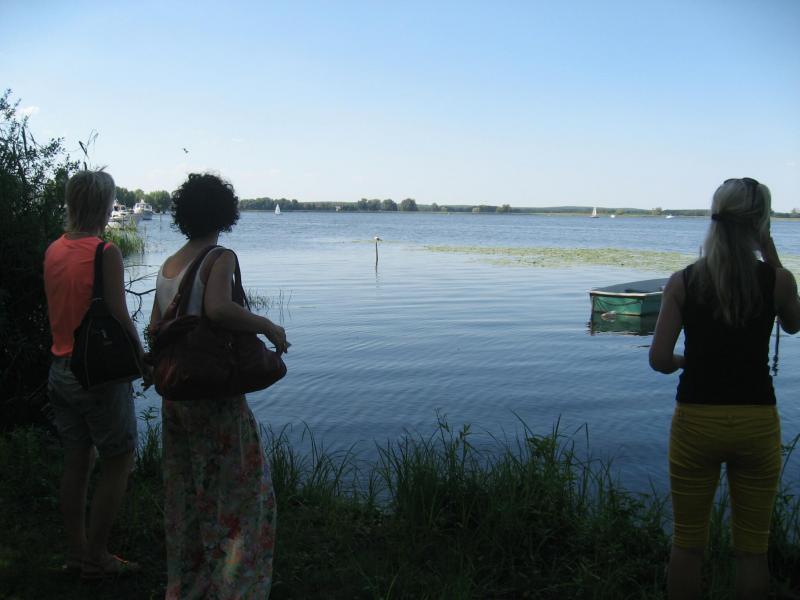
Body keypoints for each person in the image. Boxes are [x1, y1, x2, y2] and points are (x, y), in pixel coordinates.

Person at [649, 177, 800, 599]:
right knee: (752, 550)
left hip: (696, 421)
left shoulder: (682, 281)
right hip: (756, 421)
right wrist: (769, 251)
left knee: (687, 544)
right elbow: (794, 324)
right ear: (760, 222)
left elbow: (659, 360)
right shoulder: (778, 281)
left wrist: (689, 361)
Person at [150, 173, 288, 599]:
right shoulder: (219, 257)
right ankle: (237, 588)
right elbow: (218, 309)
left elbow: (155, 329)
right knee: (244, 496)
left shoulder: (169, 265)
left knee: (186, 495)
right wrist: (267, 325)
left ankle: (188, 586)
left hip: (177, 395)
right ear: (224, 214)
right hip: (214, 396)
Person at [44, 169, 146, 578]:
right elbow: (119, 316)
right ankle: (97, 557)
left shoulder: (54, 250)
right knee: (118, 460)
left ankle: (76, 552)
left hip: (60, 369)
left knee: (76, 461)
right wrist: (141, 358)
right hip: (97, 375)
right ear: (105, 206)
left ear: (72, 203)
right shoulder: (106, 252)